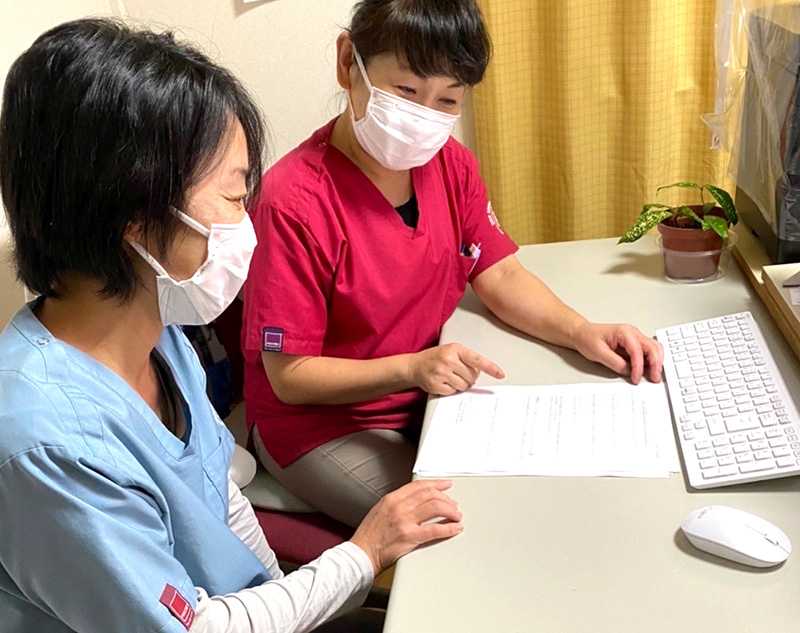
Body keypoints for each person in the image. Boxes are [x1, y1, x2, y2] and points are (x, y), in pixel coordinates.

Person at [0, 18, 462, 633]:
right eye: (235, 198)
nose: (247, 226)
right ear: (135, 212)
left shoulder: (160, 335)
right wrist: (363, 553)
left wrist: (290, 594)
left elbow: (219, 496)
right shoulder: (49, 446)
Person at [243, 0, 665, 528]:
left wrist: (582, 332)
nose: (424, 116)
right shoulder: (291, 202)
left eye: (447, 99)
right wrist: (412, 368)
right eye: (406, 91)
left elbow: (500, 272)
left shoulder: (450, 164)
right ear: (349, 62)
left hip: (430, 397)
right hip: (323, 426)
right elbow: (290, 376)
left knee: (548, 481)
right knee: (467, 527)